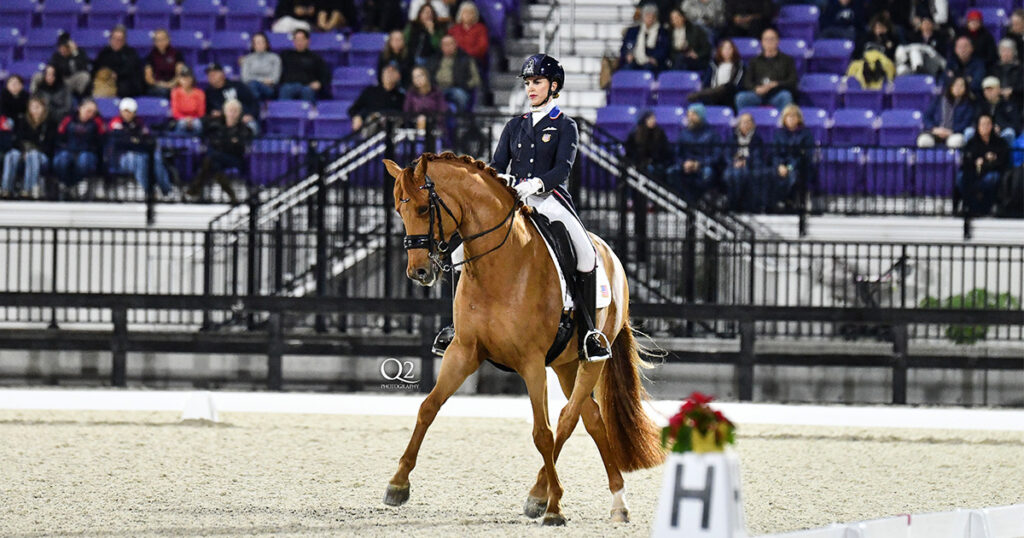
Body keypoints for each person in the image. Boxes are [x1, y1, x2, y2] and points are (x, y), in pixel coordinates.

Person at [432, 53, 613, 362]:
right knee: (460, 252)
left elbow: (563, 169)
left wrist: (536, 184)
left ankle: (588, 333)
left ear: (553, 86)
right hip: (514, 200)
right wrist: (497, 180)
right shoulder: (515, 125)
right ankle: (456, 326)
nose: (530, 88)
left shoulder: (565, 126)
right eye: (528, 82)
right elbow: (496, 164)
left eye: (537, 82)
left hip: (549, 199)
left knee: (585, 253)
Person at [187, 99, 252, 203]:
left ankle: (195, 189)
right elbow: (211, 137)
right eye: (230, 110)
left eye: (235, 111)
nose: (232, 113)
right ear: (224, 111)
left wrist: (226, 143)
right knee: (214, 165)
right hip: (218, 157)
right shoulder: (216, 124)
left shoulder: (243, 128)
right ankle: (232, 196)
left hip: (234, 159)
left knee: (210, 156)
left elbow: (240, 147)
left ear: (239, 113)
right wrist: (230, 142)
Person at [108, 97, 174, 197]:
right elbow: (122, 142)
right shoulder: (116, 124)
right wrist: (135, 142)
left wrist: (135, 142)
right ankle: (149, 192)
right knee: (139, 160)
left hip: (140, 153)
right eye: (125, 111)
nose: (127, 114)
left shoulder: (139, 124)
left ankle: (167, 191)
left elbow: (146, 141)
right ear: (121, 112)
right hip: (122, 157)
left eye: (130, 112)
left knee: (155, 158)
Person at [2, 97, 54, 198]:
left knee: (33, 155)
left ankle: (29, 188)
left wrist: (33, 151)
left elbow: (49, 145)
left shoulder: (49, 123)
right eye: (32, 107)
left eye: (37, 107)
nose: (35, 110)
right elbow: (17, 141)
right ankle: (6, 189)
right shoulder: (23, 121)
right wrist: (23, 152)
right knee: (11, 154)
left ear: (43, 108)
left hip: (42, 156)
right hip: (24, 153)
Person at [958, 113, 1009, 216]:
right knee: (961, 177)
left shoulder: (1000, 143)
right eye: (982, 124)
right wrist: (979, 162)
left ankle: (987, 206)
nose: (985, 127)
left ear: (992, 126)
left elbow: (1002, 162)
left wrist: (985, 163)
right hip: (973, 173)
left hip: (991, 172)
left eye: (988, 124)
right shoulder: (972, 143)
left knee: (992, 178)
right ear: (978, 126)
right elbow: (967, 161)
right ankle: (968, 206)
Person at [734, 28, 797, 110]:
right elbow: (747, 81)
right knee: (741, 98)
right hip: (758, 94)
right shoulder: (754, 61)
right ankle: (745, 118)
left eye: (772, 39)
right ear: (762, 42)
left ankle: (784, 118)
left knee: (786, 96)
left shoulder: (787, 60)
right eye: (766, 39)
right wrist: (756, 88)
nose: (769, 42)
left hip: (777, 94)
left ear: (778, 41)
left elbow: (792, 81)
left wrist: (776, 84)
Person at [670, 103, 720, 203]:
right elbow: (677, 153)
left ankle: (703, 202)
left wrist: (699, 164)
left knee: (707, 173)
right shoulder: (683, 133)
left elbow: (716, 155)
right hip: (686, 164)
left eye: (693, 115)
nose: (690, 118)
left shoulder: (712, 134)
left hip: (704, 165)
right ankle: (680, 201)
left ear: (701, 116)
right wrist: (683, 163)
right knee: (672, 172)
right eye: (689, 115)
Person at [53, 99, 105, 193]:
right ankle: (65, 184)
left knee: (84, 160)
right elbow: (59, 137)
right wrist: (64, 147)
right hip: (68, 150)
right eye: (88, 111)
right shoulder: (68, 120)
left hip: (88, 152)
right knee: (61, 160)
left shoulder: (97, 122)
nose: (90, 114)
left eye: (93, 112)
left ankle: (78, 182)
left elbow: (102, 141)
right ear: (80, 108)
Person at [770, 104, 815, 212]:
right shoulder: (778, 134)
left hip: (799, 166)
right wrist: (779, 166)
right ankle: (773, 204)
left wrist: (789, 167)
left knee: (793, 176)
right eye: (788, 116)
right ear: (784, 119)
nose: (791, 119)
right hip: (781, 166)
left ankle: (788, 202)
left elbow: (805, 155)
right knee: (768, 174)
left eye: (794, 116)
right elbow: (775, 153)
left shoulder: (806, 134)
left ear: (799, 118)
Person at [722, 112, 767, 212]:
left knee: (747, 174)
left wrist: (747, 162)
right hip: (734, 165)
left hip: (752, 165)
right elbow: (726, 154)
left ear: (753, 125)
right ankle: (733, 204)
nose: (746, 124)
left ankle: (746, 206)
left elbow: (758, 155)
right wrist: (734, 162)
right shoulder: (732, 138)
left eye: (748, 122)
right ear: (739, 124)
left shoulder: (757, 139)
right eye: (743, 122)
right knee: (730, 175)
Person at [427, 35, 481, 113]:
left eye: (450, 44)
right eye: (445, 44)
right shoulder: (433, 59)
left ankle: (459, 117)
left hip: (457, 88)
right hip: (437, 88)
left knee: (460, 95)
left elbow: (476, 79)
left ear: (455, 45)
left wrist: (465, 85)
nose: (448, 47)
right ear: (441, 47)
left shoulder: (466, 59)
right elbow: (426, 75)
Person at [204, 63, 260, 135]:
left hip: (242, 119)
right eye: (209, 74)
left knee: (251, 126)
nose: (212, 76)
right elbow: (208, 111)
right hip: (222, 122)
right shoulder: (208, 92)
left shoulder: (237, 86)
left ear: (223, 74)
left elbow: (253, 102)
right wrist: (214, 114)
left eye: (215, 73)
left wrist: (251, 115)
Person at [920, 76, 975, 149]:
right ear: (951, 86)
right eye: (956, 85)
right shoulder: (938, 100)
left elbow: (965, 123)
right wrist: (933, 128)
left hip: (954, 133)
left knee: (956, 141)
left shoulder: (968, 105)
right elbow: (926, 117)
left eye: (961, 85)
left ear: (965, 89)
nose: (958, 88)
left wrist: (951, 131)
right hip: (936, 131)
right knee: (924, 141)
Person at [347, 62, 405, 131]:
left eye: (392, 72)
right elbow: (352, 109)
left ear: (398, 76)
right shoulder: (370, 91)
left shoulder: (401, 97)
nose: (389, 75)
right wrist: (357, 117)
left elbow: (405, 115)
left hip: (392, 130)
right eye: (387, 72)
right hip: (371, 129)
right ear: (382, 75)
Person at [277, 29, 330, 102]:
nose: (299, 43)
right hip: (289, 85)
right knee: (285, 89)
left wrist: (319, 83)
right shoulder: (285, 55)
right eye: (296, 40)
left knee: (307, 91)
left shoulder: (315, 57)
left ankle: (309, 108)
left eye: (301, 40)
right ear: (293, 41)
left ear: (308, 41)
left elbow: (325, 74)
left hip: (307, 86)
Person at [687, 38, 744, 106]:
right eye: (724, 48)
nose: (727, 51)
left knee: (727, 87)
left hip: (730, 94)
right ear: (720, 50)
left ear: (734, 50)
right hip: (713, 94)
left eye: (729, 48)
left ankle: (699, 94)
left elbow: (736, 84)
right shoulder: (713, 65)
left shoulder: (739, 66)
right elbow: (706, 82)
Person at [92, 26, 144, 98]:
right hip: (106, 81)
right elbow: (97, 69)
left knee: (124, 87)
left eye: (119, 40)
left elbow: (130, 70)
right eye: (114, 39)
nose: (116, 42)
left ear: (124, 41)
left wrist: (117, 75)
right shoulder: (104, 53)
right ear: (110, 39)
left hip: (125, 82)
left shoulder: (131, 53)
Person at [967, 77, 1019, 146]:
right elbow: (975, 121)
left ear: (999, 89)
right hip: (983, 132)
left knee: (1009, 132)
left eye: (991, 89)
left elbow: (1016, 124)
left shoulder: (1008, 104)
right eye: (985, 90)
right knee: (969, 131)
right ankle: (971, 152)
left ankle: (1006, 152)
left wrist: (1000, 127)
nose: (988, 92)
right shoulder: (981, 105)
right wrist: (984, 128)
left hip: (1001, 132)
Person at [619, 4, 669, 72]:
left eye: (653, 16)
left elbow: (664, 50)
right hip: (635, 60)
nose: (650, 18)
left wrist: (655, 58)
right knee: (627, 68)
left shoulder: (662, 32)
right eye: (648, 16)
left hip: (652, 63)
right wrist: (628, 54)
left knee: (649, 68)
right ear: (643, 17)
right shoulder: (633, 31)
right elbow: (624, 48)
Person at [624, 111, 672, 180]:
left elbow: (665, 150)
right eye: (650, 119)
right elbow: (630, 151)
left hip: (656, 164)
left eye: (654, 118)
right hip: (639, 163)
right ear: (644, 120)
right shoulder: (634, 134)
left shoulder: (660, 133)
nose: (653, 121)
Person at [42, 32, 91, 98]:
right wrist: (50, 70)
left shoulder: (79, 53)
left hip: (73, 81)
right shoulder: (56, 56)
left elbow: (84, 68)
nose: (62, 50)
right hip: (59, 81)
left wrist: (74, 53)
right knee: (38, 76)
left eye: (65, 47)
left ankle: (79, 99)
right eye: (60, 47)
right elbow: (52, 67)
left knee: (84, 76)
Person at [143, 29, 185, 98]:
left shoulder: (176, 54)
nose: (160, 42)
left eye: (163, 39)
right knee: (162, 91)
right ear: (154, 42)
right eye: (157, 40)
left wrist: (170, 84)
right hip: (157, 86)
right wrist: (160, 84)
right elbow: (149, 78)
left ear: (168, 39)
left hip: (173, 84)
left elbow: (180, 73)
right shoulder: (150, 56)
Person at [240, 33, 282, 101]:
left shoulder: (275, 58)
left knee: (252, 86)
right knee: (252, 85)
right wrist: (262, 80)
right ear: (253, 45)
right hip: (252, 86)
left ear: (267, 44)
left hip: (269, 88)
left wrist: (256, 80)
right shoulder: (247, 59)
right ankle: (257, 103)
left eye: (262, 42)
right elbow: (245, 78)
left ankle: (255, 104)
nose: (260, 45)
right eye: (257, 42)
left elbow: (275, 79)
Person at [404, 66, 446, 130]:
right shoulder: (411, 93)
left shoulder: (437, 92)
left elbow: (442, 111)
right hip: (416, 127)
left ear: (426, 76)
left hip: (434, 126)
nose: (417, 79)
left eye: (420, 76)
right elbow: (407, 112)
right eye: (414, 77)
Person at [447, 2, 489, 67]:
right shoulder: (453, 29)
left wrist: (466, 55)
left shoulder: (481, 28)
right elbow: (448, 45)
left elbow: (482, 47)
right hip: (455, 60)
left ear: (475, 15)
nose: (468, 15)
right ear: (460, 14)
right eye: (465, 12)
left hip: (474, 60)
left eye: (471, 13)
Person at [170, 69, 205, 133]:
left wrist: (191, 119)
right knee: (182, 124)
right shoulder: (175, 92)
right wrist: (185, 118)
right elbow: (175, 112)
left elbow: (201, 112)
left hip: (195, 118)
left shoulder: (200, 93)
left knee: (197, 124)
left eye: (188, 78)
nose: (186, 80)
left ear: (192, 79)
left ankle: (198, 139)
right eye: (183, 78)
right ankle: (179, 139)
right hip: (180, 119)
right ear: (179, 80)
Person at [993, 39, 1022, 110]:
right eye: (1003, 51)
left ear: (1014, 53)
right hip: (997, 100)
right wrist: (998, 91)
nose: (1006, 54)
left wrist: (1012, 91)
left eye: (1008, 51)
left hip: (1017, 101)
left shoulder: (1021, 68)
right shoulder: (994, 68)